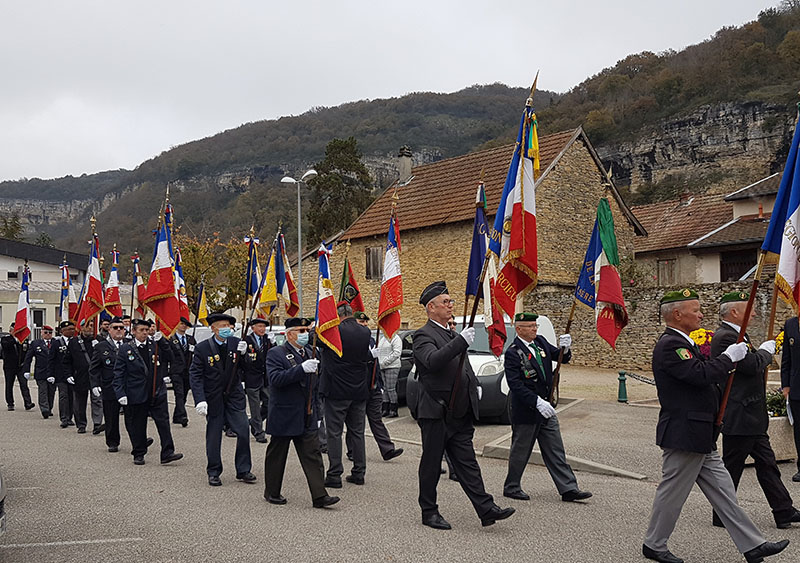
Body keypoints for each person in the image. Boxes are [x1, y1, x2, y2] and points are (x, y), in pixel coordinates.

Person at [643, 289, 789, 563]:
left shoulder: (686, 343)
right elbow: (702, 376)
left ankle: (753, 545)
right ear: (677, 314)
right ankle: (654, 545)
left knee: (725, 494)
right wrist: (729, 358)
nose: (701, 314)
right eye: (695, 310)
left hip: (701, 433)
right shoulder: (670, 346)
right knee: (671, 495)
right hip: (684, 434)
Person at [412, 281, 514, 530]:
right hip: (437, 411)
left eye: (451, 301)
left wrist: (474, 385)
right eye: (445, 302)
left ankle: (485, 508)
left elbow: (462, 368)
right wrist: (459, 342)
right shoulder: (423, 335)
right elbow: (431, 361)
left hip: (459, 412)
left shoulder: (451, 333)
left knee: (467, 463)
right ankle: (429, 511)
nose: (450, 306)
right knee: (432, 464)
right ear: (431, 308)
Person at [711, 292, 800, 529]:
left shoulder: (738, 334)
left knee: (767, 464)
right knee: (733, 467)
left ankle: (783, 511)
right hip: (739, 414)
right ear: (734, 313)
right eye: (748, 310)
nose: (754, 314)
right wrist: (765, 352)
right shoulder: (725, 337)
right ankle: (721, 513)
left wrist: (760, 353)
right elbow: (750, 366)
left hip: (751, 415)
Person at [502, 312, 591, 503]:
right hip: (527, 410)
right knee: (521, 450)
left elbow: (559, 358)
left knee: (555, 449)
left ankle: (568, 488)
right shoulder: (512, 352)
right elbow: (515, 385)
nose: (535, 329)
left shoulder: (540, 342)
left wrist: (564, 348)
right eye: (530, 326)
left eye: (535, 325)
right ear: (519, 329)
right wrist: (536, 402)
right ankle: (512, 486)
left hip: (546, 409)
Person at [263, 317, 339, 508]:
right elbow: (275, 379)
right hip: (284, 414)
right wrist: (300, 370)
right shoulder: (276, 353)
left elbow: (314, 388)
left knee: (313, 455)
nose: (305, 334)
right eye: (301, 330)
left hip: (307, 413)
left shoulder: (310, 353)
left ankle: (319, 495)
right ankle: (272, 491)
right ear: (289, 334)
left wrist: (318, 414)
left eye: (307, 330)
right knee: (277, 456)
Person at [189, 312, 255, 486]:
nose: (227, 329)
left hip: (234, 396)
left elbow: (247, 367)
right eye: (223, 326)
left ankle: (243, 469)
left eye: (229, 326)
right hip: (213, 397)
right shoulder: (203, 347)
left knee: (243, 430)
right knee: (214, 434)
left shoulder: (236, 343)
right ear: (213, 328)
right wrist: (200, 399)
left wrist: (245, 355)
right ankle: (214, 471)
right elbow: (195, 375)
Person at [112, 319, 183, 466]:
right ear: (133, 332)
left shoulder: (155, 345)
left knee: (163, 423)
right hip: (136, 393)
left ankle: (167, 452)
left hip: (157, 391)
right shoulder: (126, 349)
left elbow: (172, 357)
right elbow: (119, 373)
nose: (145, 333)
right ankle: (139, 452)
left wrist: (162, 341)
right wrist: (120, 393)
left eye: (147, 330)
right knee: (138, 424)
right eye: (141, 330)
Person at [320, 302, 371, 488]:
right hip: (358, 390)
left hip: (336, 391)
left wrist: (325, 321)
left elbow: (312, 339)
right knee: (357, 433)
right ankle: (359, 471)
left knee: (334, 433)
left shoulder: (332, 331)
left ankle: (335, 474)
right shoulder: (365, 332)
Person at [348, 311, 403, 462]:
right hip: (359, 387)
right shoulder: (350, 341)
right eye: (361, 322)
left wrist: (379, 385)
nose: (365, 325)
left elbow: (376, 366)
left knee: (376, 419)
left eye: (366, 322)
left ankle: (387, 450)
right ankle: (352, 450)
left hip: (373, 387)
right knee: (356, 421)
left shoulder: (372, 340)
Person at [89, 316, 128, 452]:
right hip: (109, 386)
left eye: (121, 328)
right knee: (111, 416)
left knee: (134, 416)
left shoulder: (130, 344)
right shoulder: (101, 347)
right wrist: (94, 384)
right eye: (115, 327)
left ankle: (138, 440)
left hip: (128, 386)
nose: (119, 330)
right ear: (109, 329)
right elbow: (94, 368)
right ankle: (112, 441)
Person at [63, 320, 104, 434]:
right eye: (87, 326)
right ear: (80, 328)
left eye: (92, 326)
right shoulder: (74, 342)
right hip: (80, 375)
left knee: (97, 400)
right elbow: (67, 361)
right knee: (80, 402)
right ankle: (81, 424)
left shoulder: (99, 340)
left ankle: (97, 424)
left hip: (96, 376)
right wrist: (68, 375)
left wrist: (99, 347)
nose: (90, 328)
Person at [242, 318, 271, 443]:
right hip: (252, 378)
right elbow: (243, 362)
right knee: (254, 407)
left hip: (265, 379)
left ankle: (254, 422)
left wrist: (273, 345)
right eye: (259, 326)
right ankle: (258, 432)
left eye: (264, 327)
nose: (262, 329)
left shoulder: (267, 340)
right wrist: (242, 353)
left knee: (269, 403)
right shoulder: (246, 340)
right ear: (253, 328)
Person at [781, 313, 800, 483]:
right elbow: (786, 358)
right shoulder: (791, 324)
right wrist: (785, 385)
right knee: (799, 430)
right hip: (797, 386)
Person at [22, 325, 54, 418]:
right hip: (41, 371)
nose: (48, 335)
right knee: (43, 391)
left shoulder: (55, 343)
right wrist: (26, 370)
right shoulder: (36, 343)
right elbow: (28, 358)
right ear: (41, 333)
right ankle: (44, 409)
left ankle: (49, 407)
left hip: (52, 372)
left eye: (50, 333)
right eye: (46, 332)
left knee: (51, 392)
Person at [169, 317, 195, 427]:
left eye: (185, 324)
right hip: (176, 371)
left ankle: (176, 416)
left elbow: (194, 354)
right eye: (181, 324)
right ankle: (183, 416)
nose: (183, 326)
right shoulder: (171, 339)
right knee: (179, 394)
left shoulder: (191, 339)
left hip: (187, 371)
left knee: (183, 394)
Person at [2, 323, 34, 411]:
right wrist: (15, 339)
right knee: (9, 385)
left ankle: (28, 403)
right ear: (11, 330)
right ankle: (10, 403)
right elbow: (6, 346)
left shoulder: (23, 340)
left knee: (24, 385)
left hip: (21, 366)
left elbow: (26, 352)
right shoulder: (5, 339)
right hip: (9, 367)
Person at [51, 321, 76, 427]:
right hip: (60, 375)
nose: (72, 331)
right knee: (63, 396)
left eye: (73, 329)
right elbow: (51, 359)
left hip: (73, 374)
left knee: (72, 397)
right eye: (69, 329)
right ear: (62, 331)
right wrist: (50, 374)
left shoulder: (75, 342)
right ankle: (64, 418)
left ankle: (70, 417)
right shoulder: (56, 343)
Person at [377, 315, 402, 418]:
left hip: (392, 366)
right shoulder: (383, 339)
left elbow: (397, 353)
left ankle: (393, 409)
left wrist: (385, 362)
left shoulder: (396, 338)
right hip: (382, 366)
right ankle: (385, 408)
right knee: (385, 388)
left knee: (391, 388)